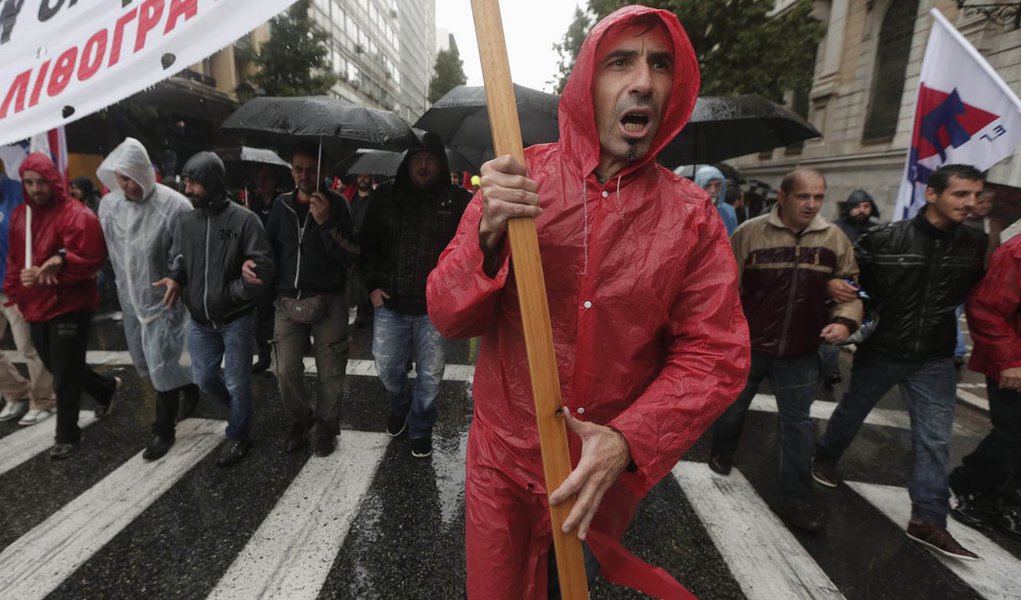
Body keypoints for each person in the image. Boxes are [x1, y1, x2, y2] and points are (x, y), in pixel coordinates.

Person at [426, 7, 749, 597]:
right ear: (586, 84)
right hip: (501, 462)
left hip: (597, 478)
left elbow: (715, 353)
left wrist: (629, 439)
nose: (644, 81)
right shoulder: (517, 181)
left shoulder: (693, 218)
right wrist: (487, 237)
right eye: (620, 61)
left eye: (659, 64)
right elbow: (448, 315)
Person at [813, 164, 988, 561]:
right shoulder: (885, 239)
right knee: (852, 411)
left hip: (936, 356)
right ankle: (825, 454)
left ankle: (928, 518)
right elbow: (850, 284)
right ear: (932, 195)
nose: (971, 203)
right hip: (884, 348)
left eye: (976, 195)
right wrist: (835, 290)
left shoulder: (975, 243)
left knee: (935, 437)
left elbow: (977, 295)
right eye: (961, 194)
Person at [707, 168, 861, 531]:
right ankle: (722, 450)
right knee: (732, 408)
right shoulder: (750, 233)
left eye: (818, 197)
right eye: (803, 196)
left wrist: (845, 319)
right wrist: (723, 332)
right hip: (750, 345)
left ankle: (796, 499)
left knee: (799, 427)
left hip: (801, 352)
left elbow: (852, 288)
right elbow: (725, 286)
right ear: (783, 196)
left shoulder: (834, 239)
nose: (811, 204)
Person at [156, 152, 274, 468]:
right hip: (199, 320)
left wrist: (232, 292)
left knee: (237, 381)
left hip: (236, 318)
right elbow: (178, 258)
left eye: (194, 182)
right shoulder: (185, 220)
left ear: (212, 182)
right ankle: (239, 409)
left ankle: (239, 433)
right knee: (204, 377)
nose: (188, 189)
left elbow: (263, 267)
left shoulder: (245, 220)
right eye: (187, 182)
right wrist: (176, 279)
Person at [361, 133, 471, 459]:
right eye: (417, 158)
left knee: (432, 377)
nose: (423, 165)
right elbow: (367, 245)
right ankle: (400, 404)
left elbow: (471, 249)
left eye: (431, 159)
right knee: (387, 369)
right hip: (390, 305)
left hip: (433, 310)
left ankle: (421, 425)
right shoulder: (385, 198)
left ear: (441, 163)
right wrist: (371, 286)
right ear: (407, 162)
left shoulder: (458, 201)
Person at [3, 154, 118, 459]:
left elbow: (92, 257)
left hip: (71, 304)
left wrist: (60, 262)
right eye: (29, 182)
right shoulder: (20, 217)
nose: (35, 188)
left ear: (52, 181)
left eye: (41, 181)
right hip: (35, 304)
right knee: (56, 364)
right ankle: (103, 388)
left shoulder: (76, 215)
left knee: (64, 372)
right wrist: (17, 287)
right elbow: (15, 259)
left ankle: (66, 433)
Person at [97, 138, 200, 461]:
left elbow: (185, 253)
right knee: (144, 364)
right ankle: (190, 386)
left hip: (163, 305)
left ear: (144, 172)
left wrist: (177, 277)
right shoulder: (110, 206)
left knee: (162, 366)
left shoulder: (174, 206)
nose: (126, 184)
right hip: (130, 303)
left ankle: (163, 430)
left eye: (131, 176)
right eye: (121, 177)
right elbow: (113, 250)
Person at [259, 143, 357, 457]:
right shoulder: (280, 206)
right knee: (285, 370)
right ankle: (300, 420)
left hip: (329, 301)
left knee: (330, 373)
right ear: (291, 171)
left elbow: (351, 257)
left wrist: (326, 223)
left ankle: (327, 429)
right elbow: (268, 251)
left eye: (311, 169)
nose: (305, 175)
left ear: (324, 171)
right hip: (286, 301)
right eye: (299, 169)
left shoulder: (339, 204)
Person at [948, 232, 1021, 540]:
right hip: (1016, 364)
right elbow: (984, 308)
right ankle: (966, 485)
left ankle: (1002, 499)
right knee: (1013, 433)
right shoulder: (1017, 252)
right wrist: (1010, 359)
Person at [0, 162, 55, 426]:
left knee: (27, 347)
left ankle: (43, 399)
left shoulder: (19, 194)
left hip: (18, 286)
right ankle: (15, 392)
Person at [246, 164, 280, 374]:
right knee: (262, 314)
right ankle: (265, 356)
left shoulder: (282, 202)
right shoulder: (252, 205)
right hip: (261, 266)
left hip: (282, 264)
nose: (262, 183)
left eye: (266, 178)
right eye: (258, 179)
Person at [346, 173, 374, 327]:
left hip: (368, 247)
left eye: (366, 176)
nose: (363, 179)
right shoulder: (350, 198)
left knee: (364, 280)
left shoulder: (376, 199)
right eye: (360, 176)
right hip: (350, 246)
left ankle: (365, 311)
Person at [694, 165, 738, 235]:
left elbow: (733, 238)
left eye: (717, 185)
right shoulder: (691, 212)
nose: (713, 190)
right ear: (699, 186)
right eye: (708, 185)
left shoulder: (729, 211)